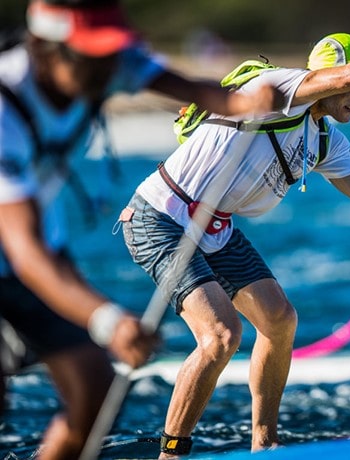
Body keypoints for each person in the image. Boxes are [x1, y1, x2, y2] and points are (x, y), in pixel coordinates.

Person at [118, 15, 350, 458]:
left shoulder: (325, 140)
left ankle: (265, 445)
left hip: (215, 227)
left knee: (279, 319)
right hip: (160, 217)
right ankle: (172, 453)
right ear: (326, 79)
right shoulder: (278, 88)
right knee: (220, 336)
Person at [0, 0, 275, 458]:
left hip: (41, 253)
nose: (109, 69)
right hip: (26, 253)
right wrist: (107, 320)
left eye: (112, 55)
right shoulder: (5, 107)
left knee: (96, 390)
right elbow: (26, 251)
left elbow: (191, 88)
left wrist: (246, 103)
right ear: (45, 48)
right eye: (95, 56)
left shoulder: (103, 60)